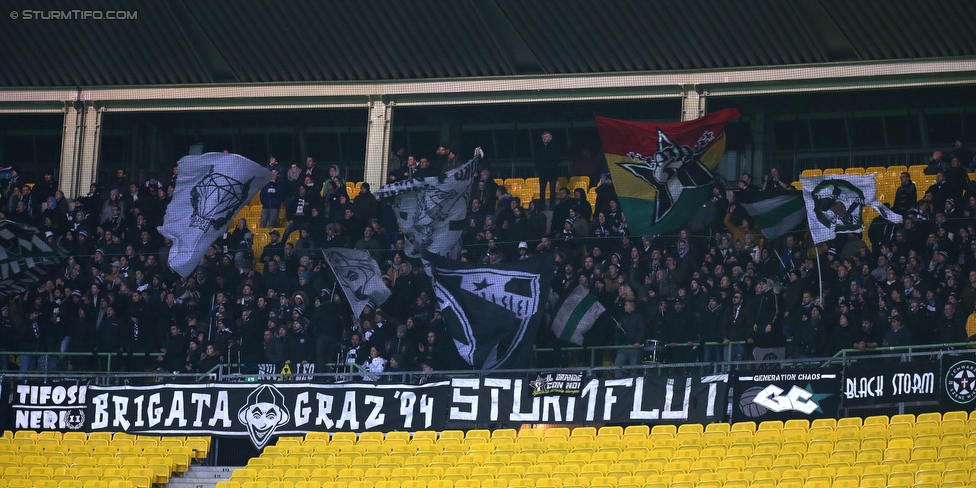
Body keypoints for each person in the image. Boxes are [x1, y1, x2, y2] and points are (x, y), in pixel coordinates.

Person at [613, 300, 645, 378]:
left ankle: (633, 383)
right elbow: (618, 333)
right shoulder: (623, 317)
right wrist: (618, 328)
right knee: (618, 364)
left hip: (634, 348)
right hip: (623, 347)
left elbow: (642, 330)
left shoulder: (639, 317)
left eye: (626, 305)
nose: (624, 306)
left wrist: (638, 342)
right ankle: (618, 381)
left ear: (631, 306)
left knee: (634, 368)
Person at [535, 131, 562, 210]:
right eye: (543, 137)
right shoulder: (540, 148)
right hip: (542, 173)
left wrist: (553, 166)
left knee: (552, 190)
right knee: (542, 190)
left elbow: (558, 158)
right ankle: (542, 206)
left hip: (552, 172)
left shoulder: (555, 147)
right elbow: (537, 160)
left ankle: (552, 205)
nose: (544, 138)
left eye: (546, 137)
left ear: (550, 138)